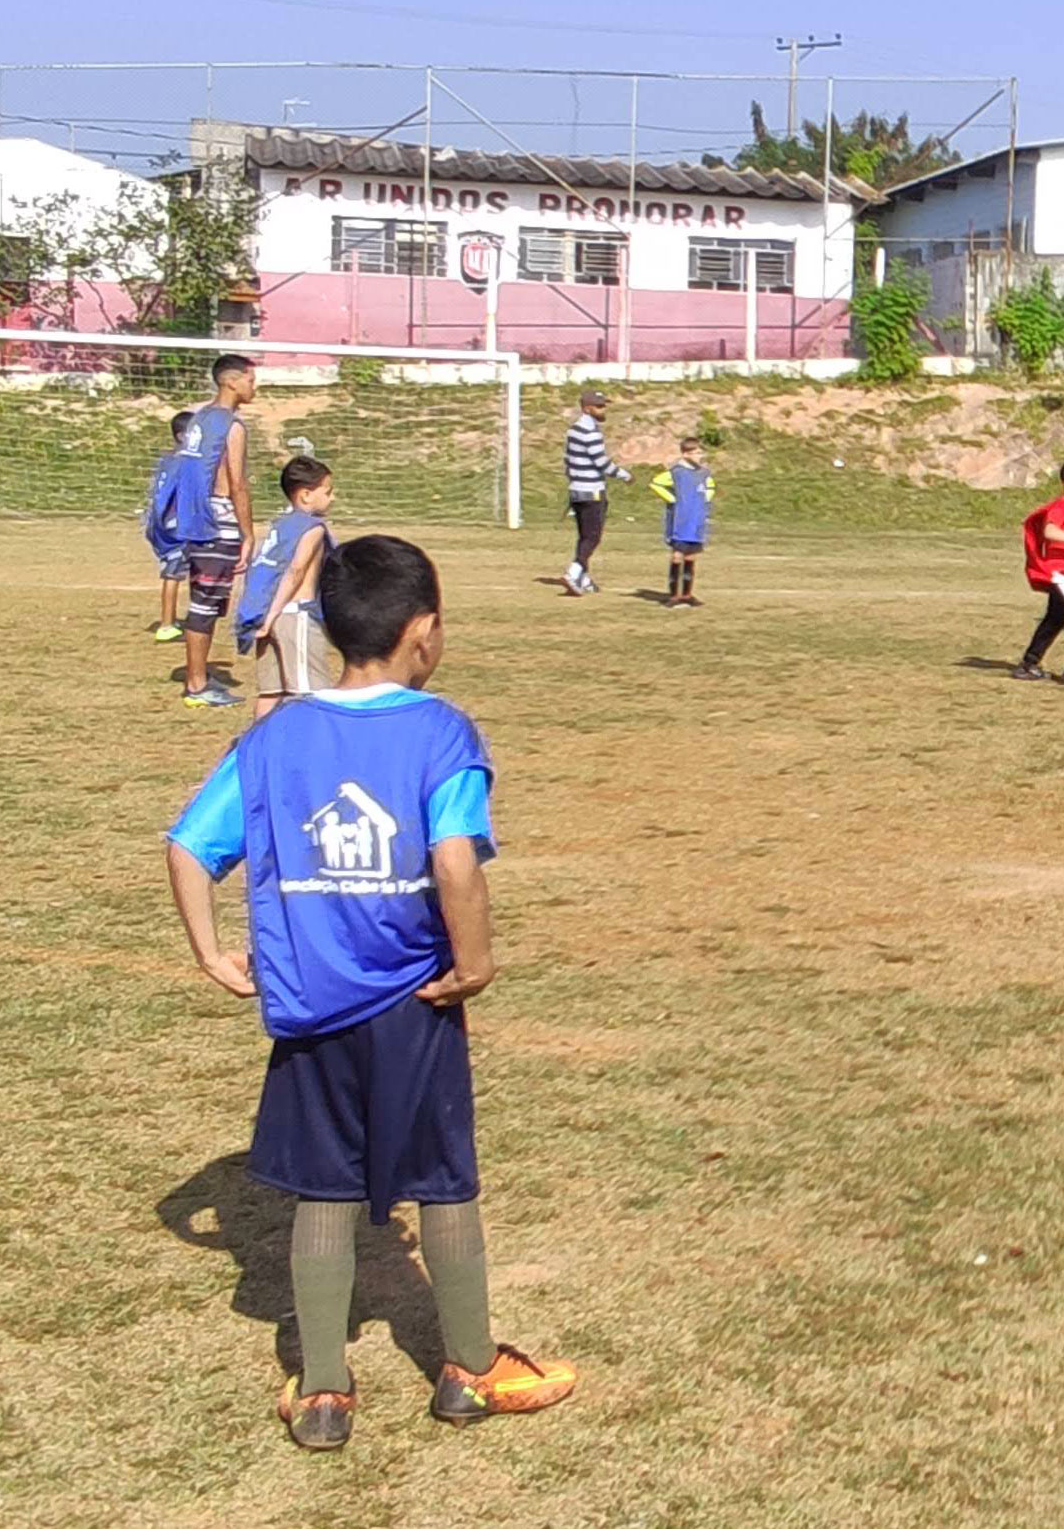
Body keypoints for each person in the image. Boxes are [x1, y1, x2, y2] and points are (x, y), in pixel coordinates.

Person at [163, 534, 579, 1450]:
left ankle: (322, 1392)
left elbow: (189, 845)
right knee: (441, 1182)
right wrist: (475, 961)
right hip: (413, 1001)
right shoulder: (440, 731)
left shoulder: (274, 737)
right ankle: (470, 1371)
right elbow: (453, 854)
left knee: (324, 1191)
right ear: (423, 632)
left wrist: (210, 951)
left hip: (310, 1011)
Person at [175, 355, 258, 708]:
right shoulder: (231, 426)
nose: (255, 386)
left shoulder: (199, 419)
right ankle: (196, 685)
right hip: (218, 522)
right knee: (205, 604)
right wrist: (248, 533)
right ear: (231, 382)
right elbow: (237, 483)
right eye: (251, 380)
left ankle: (200, 679)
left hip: (197, 520)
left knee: (205, 602)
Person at [238, 455, 339, 716]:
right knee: (310, 692)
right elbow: (295, 571)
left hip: (267, 616)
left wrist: (264, 618)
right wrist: (272, 616)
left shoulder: (280, 525)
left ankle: (258, 745)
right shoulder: (312, 528)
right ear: (306, 495)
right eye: (327, 491)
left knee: (270, 692)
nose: (332, 498)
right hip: (295, 616)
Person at [1012, 459, 1064, 687]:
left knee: (1056, 618)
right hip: (1059, 573)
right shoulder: (1061, 506)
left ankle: (1029, 664)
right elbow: (1050, 531)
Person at [559, 390, 626, 598]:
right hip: (592, 491)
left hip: (576, 490)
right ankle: (574, 572)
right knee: (593, 537)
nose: (603, 410)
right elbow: (601, 462)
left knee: (584, 537)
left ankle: (584, 579)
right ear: (587, 408)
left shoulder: (573, 431)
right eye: (599, 406)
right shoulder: (592, 432)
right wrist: (624, 475)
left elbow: (568, 461)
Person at [145, 409, 196, 642]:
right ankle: (166, 625)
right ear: (180, 436)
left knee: (175, 571)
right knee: (173, 574)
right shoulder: (186, 462)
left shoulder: (167, 460)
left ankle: (173, 620)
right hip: (176, 527)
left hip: (162, 525)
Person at [650, 439, 714, 609]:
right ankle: (674, 595)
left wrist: (705, 501)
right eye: (697, 453)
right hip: (681, 520)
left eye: (701, 453)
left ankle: (687, 593)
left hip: (696, 520)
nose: (700, 456)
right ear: (686, 454)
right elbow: (656, 483)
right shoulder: (677, 472)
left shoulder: (703, 472)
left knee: (691, 556)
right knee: (677, 554)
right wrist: (673, 500)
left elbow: (710, 487)